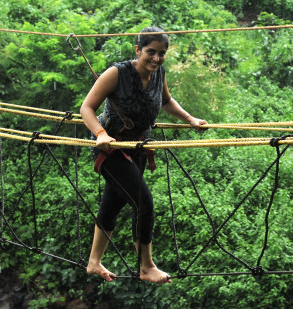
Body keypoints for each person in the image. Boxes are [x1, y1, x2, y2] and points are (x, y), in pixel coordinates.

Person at [80, 26, 207, 284]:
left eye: (162, 54)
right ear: (137, 50)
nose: (156, 59)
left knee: (113, 203)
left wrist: (189, 118)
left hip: (137, 148)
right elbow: (87, 107)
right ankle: (146, 266)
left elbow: (166, 101)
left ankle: (94, 262)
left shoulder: (159, 73)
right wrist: (101, 133)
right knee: (143, 202)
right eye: (151, 52)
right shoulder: (117, 73)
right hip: (111, 149)